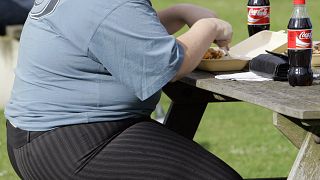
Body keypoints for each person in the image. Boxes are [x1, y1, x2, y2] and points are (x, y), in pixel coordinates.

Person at [5, 0, 241, 179]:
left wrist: (179, 12)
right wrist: (209, 27)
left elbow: (122, 32)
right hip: (71, 144)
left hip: (41, 138)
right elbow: (171, 64)